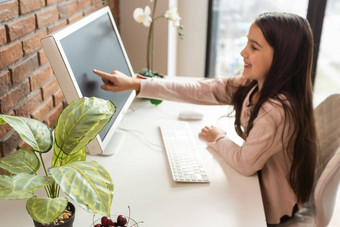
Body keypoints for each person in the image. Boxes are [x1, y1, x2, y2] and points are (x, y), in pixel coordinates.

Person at [93, 12, 317, 225]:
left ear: (282, 58)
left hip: (271, 208)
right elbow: (203, 89)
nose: (243, 52)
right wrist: (138, 84)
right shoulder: (255, 84)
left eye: (254, 47)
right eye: (247, 43)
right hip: (257, 187)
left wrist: (219, 138)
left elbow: (245, 163)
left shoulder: (277, 110)